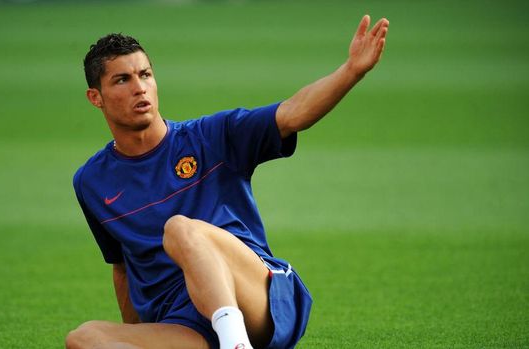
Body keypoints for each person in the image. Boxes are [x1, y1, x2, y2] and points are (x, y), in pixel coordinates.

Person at [66, 15, 389, 349]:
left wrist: (352, 71)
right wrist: (135, 336)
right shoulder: (92, 181)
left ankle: (236, 343)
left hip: (258, 299)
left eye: (145, 74)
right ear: (96, 97)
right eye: (122, 80)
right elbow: (122, 268)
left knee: (181, 229)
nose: (139, 87)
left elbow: (294, 112)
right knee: (84, 338)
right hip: (186, 324)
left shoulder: (211, 136)